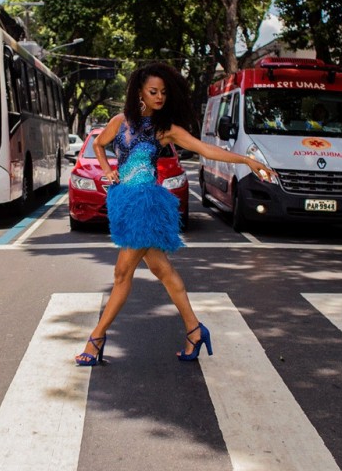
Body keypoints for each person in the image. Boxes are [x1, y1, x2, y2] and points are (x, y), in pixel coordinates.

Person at [75, 63, 275, 367]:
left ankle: (97, 337)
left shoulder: (165, 129)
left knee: (120, 274)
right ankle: (195, 330)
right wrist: (107, 172)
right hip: (126, 204)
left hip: (146, 207)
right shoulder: (119, 122)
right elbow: (100, 145)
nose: (159, 97)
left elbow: (206, 151)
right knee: (164, 273)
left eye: (164, 93)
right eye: (153, 92)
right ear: (139, 92)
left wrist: (246, 161)